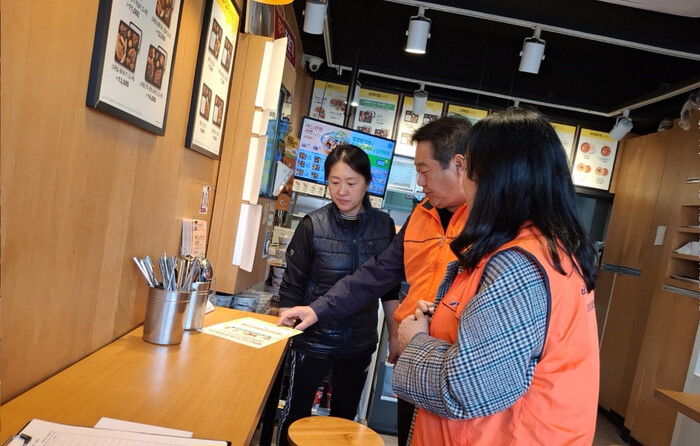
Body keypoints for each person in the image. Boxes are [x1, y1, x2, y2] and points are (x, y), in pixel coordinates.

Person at [393, 108, 600, 445]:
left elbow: (466, 388)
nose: (464, 182)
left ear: (495, 181)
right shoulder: (555, 251)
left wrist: (415, 340)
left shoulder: (519, 266)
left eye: (468, 171)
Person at [278, 116, 473, 446]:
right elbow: (377, 274)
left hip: (452, 363)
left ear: (458, 165)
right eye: (335, 182)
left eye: (424, 170)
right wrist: (316, 310)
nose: (419, 181)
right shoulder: (421, 214)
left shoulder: (486, 224)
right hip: (412, 354)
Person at [275, 144, 400, 446]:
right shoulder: (312, 225)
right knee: (296, 416)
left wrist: (395, 336)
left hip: (358, 342)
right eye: (334, 182)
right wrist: (284, 332)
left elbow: (389, 286)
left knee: (344, 421)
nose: (342, 191)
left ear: (368, 183)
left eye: (351, 183)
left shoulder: (383, 225)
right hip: (312, 340)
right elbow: (291, 287)